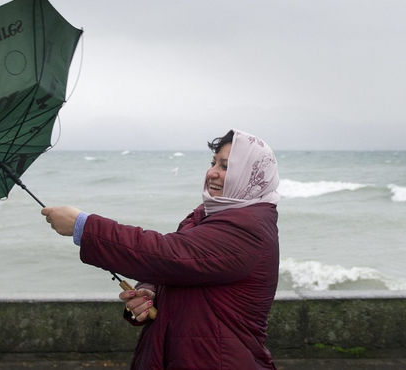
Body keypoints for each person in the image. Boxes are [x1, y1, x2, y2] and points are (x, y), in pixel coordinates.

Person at [41, 129, 280, 370]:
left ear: (251, 174)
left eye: (226, 166)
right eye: (213, 162)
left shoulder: (247, 228)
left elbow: (170, 256)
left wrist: (84, 226)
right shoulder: (205, 215)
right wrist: (149, 290)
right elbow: (179, 270)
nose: (212, 172)